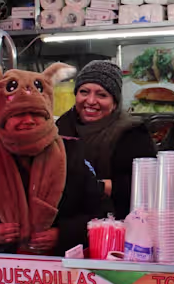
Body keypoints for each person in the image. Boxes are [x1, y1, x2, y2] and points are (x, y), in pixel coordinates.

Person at [0, 63, 103, 256]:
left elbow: (103, 214)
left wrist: (64, 234)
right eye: (19, 114)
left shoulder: (71, 154)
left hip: (58, 272)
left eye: (37, 114)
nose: (28, 120)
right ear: (1, 117)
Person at [56, 60, 156, 219]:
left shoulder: (132, 133)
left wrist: (96, 187)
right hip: (67, 225)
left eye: (101, 94)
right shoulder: (60, 127)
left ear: (115, 103)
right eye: (84, 92)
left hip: (117, 224)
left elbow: (143, 186)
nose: (90, 101)